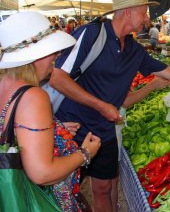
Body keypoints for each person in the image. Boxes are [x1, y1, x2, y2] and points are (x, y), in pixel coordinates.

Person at [48, 0, 170, 212]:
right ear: (128, 11)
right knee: (63, 190)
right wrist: (101, 105)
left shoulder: (134, 49)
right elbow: (56, 77)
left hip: (104, 130)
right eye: (144, 12)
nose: (147, 18)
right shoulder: (92, 34)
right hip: (73, 126)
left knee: (103, 188)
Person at [0, 11, 101, 212]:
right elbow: (42, 173)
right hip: (36, 201)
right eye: (53, 52)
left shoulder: (5, 84)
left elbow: (11, 132)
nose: (57, 56)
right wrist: (85, 153)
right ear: (36, 56)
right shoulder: (33, 96)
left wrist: (55, 130)